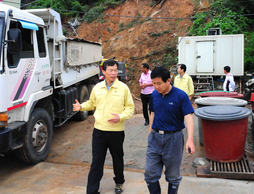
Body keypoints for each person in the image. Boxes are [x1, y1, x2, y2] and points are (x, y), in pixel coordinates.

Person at [73, 59, 135, 194]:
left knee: (117, 159)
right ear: (104, 71)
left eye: (115, 70)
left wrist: (120, 117)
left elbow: (130, 108)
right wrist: (81, 107)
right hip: (99, 131)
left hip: (116, 132)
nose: (113, 73)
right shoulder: (97, 88)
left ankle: (119, 182)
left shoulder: (123, 88)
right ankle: (92, 190)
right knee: (96, 162)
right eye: (110, 70)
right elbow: (92, 104)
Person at [144, 66, 195, 194]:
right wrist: (150, 133)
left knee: (173, 175)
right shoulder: (155, 94)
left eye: (159, 83)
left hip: (173, 139)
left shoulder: (180, 96)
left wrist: (190, 139)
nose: (156, 87)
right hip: (155, 138)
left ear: (168, 81)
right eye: (154, 83)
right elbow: (152, 113)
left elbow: (188, 116)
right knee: (150, 173)